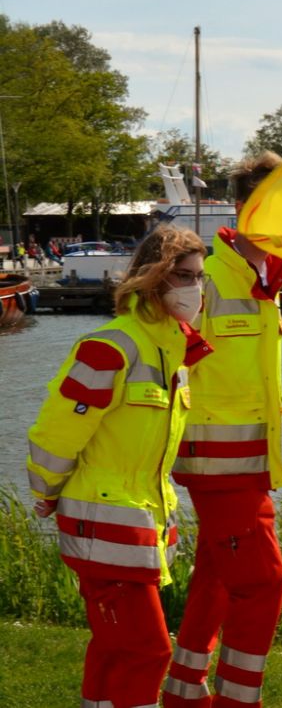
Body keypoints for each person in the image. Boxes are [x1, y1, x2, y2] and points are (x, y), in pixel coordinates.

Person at [26, 224, 211, 708]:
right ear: (154, 277)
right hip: (104, 522)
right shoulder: (111, 346)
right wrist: (45, 491)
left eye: (199, 277)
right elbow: (57, 432)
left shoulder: (173, 353)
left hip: (136, 522)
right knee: (147, 652)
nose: (196, 288)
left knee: (114, 647)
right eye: (184, 276)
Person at [163, 151, 282, 708]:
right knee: (263, 580)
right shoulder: (206, 279)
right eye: (270, 203)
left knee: (217, 574)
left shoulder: (265, 279)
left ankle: (184, 688)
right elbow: (162, 365)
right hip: (215, 462)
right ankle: (239, 701)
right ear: (242, 208)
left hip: (247, 461)